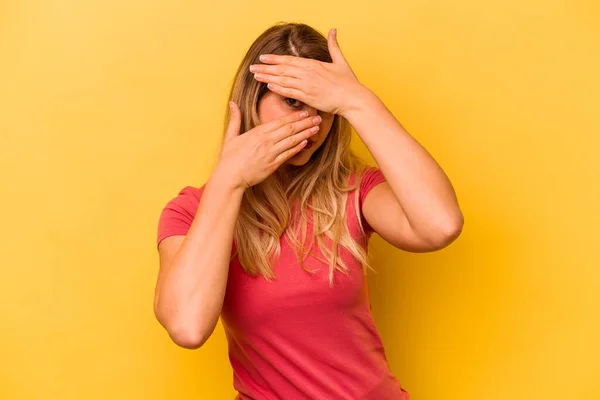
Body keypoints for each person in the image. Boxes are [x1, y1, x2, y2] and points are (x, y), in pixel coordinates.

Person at [154, 22, 463, 400]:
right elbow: (187, 327)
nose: (312, 125)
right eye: (293, 103)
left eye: (325, 109)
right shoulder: (191, 211)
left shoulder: (353, 190)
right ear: (253, 102)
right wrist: (228, 181)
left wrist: (357, 100)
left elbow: (440, 225)